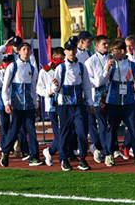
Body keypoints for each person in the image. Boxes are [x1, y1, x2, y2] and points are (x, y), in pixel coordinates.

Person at [51, 36, 94, 171]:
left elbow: (87, 85)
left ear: (76, 50)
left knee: (82, 132)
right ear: (65, 52)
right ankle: (64, 159)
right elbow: (55, 89)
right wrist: (55, 86)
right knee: (64, 133)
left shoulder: (82, 66)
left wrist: (90, 103)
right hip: (64, 106)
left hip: (79, 105)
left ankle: (82, 158)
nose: (71, 52)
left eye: (73, 49)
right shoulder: (61, 68)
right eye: (68, 50)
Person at [101, 38, 135, 166]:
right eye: (112, 52)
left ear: (122, 51)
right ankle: (109, 154)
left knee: (134, 127)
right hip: (113, 101)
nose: (113, 54)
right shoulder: (110, 64)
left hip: (129, 101)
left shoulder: (133, 65)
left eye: (115, 51)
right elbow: (102, 80)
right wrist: (106, 69)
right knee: (111, 129)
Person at [0, 40, 42, 167]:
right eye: (24, 49)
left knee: (32, 131)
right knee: (14, 130)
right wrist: (7, 103)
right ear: (18, 52)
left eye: (28, 50)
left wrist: (36, 103)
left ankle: (34, 157)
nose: (26, 52)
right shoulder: (13, 67)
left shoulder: (33, 69)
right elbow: (5, 87)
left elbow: (34, 88)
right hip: (16, 104)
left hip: (28, 105)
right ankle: (6, 152)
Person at [85, 34, 112, 163]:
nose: (107, 46)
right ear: (97, 46)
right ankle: (106, 152)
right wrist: (106, 70)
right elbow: (95, 83)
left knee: (111, 125)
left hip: (112, 96)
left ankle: (108, 148)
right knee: (101, 125)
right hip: (97, 98)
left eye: (107, 43)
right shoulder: (90, 62)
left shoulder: (112, 58)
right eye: (104, 44)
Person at [37, 47, 65, 166]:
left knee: (64, 132)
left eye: (62, 59)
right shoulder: (45, 70)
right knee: (59, 133)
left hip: (64, 103)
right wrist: (49, 92)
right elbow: (39, 89)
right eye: (58, 58)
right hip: (52, 105)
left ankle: (50, 151)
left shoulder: (65, 67)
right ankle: (62, 156)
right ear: (53, 56)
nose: (60, 61)